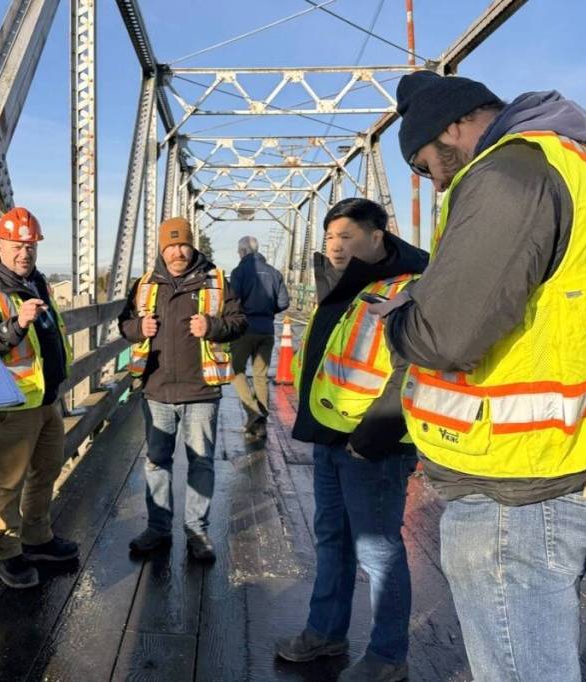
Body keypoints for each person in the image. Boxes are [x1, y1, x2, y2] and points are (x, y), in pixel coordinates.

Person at [374, 71, 586, 681]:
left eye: (424, 163)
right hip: (562, 459)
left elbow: (446, 335)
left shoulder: (508, 173)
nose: (434, 182)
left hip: (516, 483)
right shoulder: (571, 164)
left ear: (453, 126)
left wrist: (399, 323)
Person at [274, 199, 427, 682]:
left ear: (377, 235)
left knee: (378, 550)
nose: (336, 247)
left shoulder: (410, 286)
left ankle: (387, 656)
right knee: (332, 539)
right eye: (329, 239)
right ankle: (325, 632)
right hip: (331, 436)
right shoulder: (343, 282)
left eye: (347, 237)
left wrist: (372, 437)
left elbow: (414, 370)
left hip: (373, 445)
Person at [118, 217, 247, 560]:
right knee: (156, 461)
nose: (177, 252)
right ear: (162, 248)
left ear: (193, 246)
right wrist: (138, 327)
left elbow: (239, 323)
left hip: (201, 390)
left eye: (183, 244)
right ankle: (158, 529)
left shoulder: (216, 281)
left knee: (200, 462)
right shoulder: (144, 284)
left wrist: (213, 325)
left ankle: (197, 531)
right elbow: (124, 325)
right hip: (156, 389)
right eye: (171, 245)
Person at [0, 206, 78, 589]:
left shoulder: (37, 282)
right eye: (17, 245)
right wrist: (17, 324)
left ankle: (38, 538)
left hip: (46, 399)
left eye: (30, 246)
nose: (24, 254)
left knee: (47, 470)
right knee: (9, 481)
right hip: (15, 405)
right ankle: (9, 555)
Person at [229, 235, 289, 439]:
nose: (239, 255)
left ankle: (254, 412)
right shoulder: (274, 273)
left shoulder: (239, 272)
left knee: (235, 371)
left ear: (244, 251)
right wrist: (267, 310)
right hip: (267, 330)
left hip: (244, 329)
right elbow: (283, 303)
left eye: (239, 252)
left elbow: (233, 300)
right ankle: (260, 422)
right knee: (260, 376)